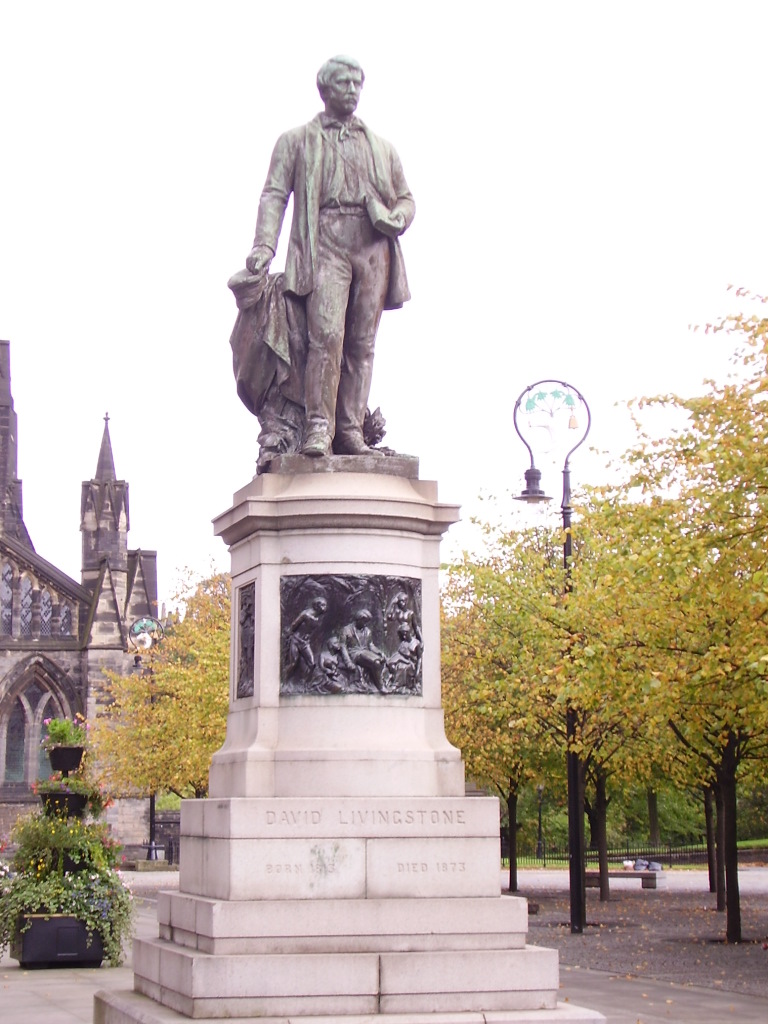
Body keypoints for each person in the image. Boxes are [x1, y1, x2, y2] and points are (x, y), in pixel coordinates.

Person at [245, 55, 415, 458]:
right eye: (343, 83)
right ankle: (319, 427)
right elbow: (274, 194)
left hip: (372, 245)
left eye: (357, 84)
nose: (352, 90)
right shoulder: (296, 140)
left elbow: (406, 199)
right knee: (326, 337)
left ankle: (351, 431)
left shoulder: (382, 148)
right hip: (325, 240)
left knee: (362, 343)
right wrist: (264, 245)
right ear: (324, 90)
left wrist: (395, 218)